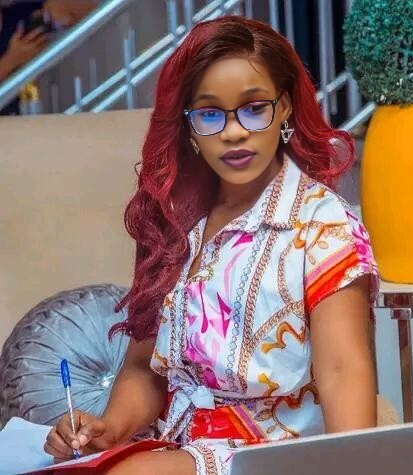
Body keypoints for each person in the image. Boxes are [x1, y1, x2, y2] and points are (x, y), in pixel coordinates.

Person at [44, 16, 380, 475]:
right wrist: (107, 429)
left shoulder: (323, 226)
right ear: (188, 125)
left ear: (285, 107)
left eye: (254, 108)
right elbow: (145, 368)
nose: (234, 131)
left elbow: (343, 370)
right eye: (209, 113)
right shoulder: (173, 221)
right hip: (177, 446)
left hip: (274, 455)